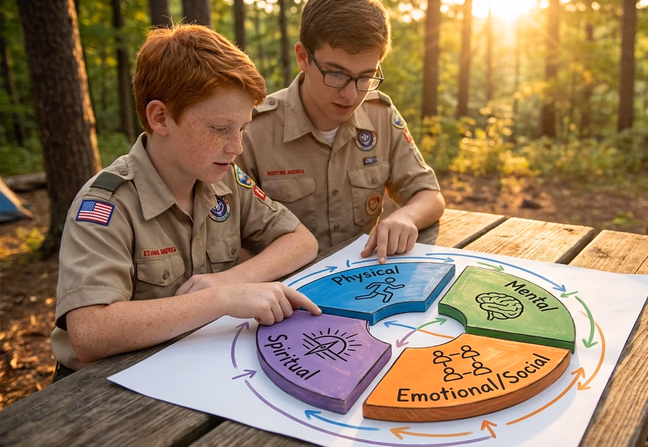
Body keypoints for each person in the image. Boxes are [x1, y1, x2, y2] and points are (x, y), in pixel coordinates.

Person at [50, 24, 321, 380]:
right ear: (160, 118)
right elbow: (89, 331)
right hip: (103, 391)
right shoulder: (107, 204)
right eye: (220, 129)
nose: (236, 146)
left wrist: (233, 279)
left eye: (241, 128)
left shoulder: (223, 179)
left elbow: (301, 241)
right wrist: (222, 300)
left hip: (195, 369)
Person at [237, 0, 445, 265]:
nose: (351, 94)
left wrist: (405, 217)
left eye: (365, 76)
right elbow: (224, 236)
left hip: (364, 282)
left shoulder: (379, 115)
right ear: (303, 57)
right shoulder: (252, 130)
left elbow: (429, 194)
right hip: (282, 292)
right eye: (336, 74)